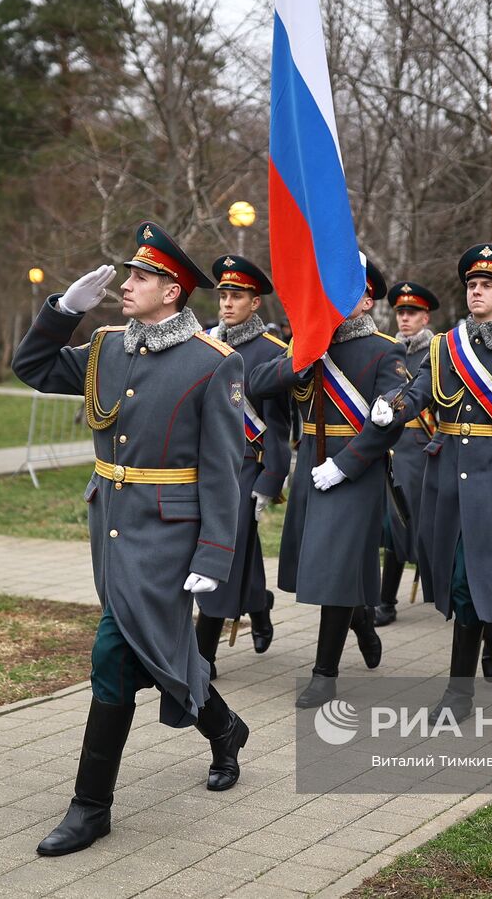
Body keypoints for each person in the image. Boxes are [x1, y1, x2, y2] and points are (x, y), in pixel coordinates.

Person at [12, 222, 249, 858]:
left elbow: (225, 471)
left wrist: (215, 554)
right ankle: (225, 729)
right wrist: (63, 311)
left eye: (141, 277)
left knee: (114, 655)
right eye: (129, 274)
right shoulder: (108, 347)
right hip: (111, 524)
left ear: (172, 292)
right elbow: (31, 367)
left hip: (169, 535)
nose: (127, 284)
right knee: (154, 646)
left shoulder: (212, 363)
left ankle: (91, 808)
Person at [370, 243, 492, 718]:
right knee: (454, 578)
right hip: (445, 475)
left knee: (471, 580)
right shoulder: (447, 345)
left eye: (486, 285)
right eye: (471, 284)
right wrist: (396, 406)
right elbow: (421, 390)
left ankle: (458, 693)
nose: (476, 291)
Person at [246, 256, 407, 708]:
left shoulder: (384, 348)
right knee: (320, 567)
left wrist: (348, 464)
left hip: (354, 471)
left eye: (346, 291)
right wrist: (302, 356)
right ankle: (361, 620)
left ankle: (324, 673)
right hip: (309, 468)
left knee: (334, 568)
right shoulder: (308, 341)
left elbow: (391, 416)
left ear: (367, 301)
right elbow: (259, 382)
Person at [193, 255, 291, 671]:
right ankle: (259, 603)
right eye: (224, 295)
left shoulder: (273, 351)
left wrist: (271, 479)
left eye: (237, 296)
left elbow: (279, 425)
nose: (227, 303)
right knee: (234, 550)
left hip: (248, 465)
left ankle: (203, 655)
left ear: (256, 303)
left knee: (223, 551)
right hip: (205, 466)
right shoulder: (206, 344)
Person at [375, 280, 439, 627]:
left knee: (412, 523)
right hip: (389, 446)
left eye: (411, 312)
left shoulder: (437, 352)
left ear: (425, 317)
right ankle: (385, 599)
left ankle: (432, 586)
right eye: (400, 311)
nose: (404, 318)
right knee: (388, 527)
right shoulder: (388, 350)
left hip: (420, 447)